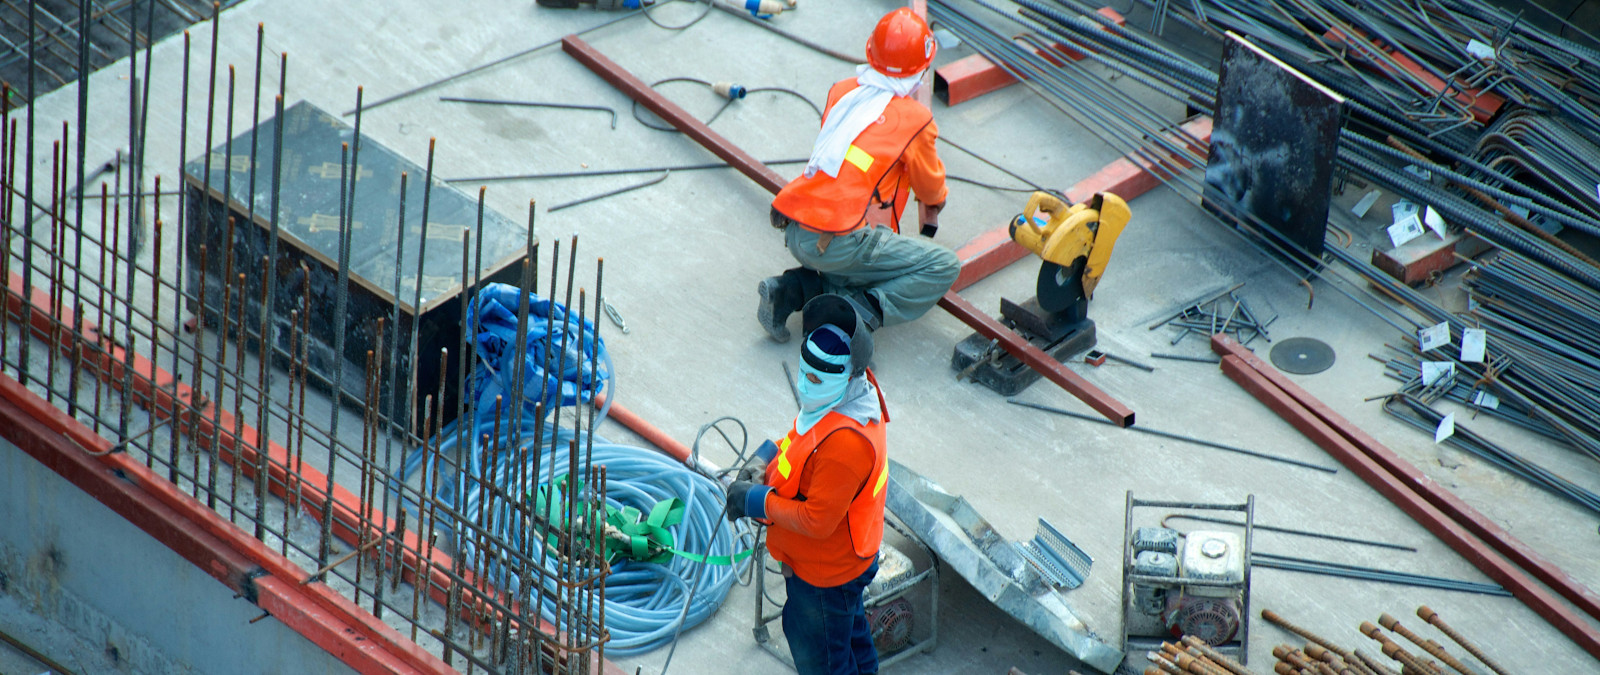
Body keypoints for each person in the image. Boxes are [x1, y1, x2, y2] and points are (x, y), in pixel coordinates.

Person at [757, 7, 959, 343]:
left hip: (796, 228)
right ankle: (857, 316)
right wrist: (935, 204)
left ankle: (788, 291)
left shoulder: (843, 91)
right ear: (921, 69)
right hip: (838, 242)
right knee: (942, 265)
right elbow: (929, 188)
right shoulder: (915, 119)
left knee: (853, 264)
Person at [727, 294, 891, 675]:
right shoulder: (842, 399)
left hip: (826, 576)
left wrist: (756, 501)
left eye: (815, 378)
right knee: (850, 639)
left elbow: (817, 520)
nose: (805, 384)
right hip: (843, 563)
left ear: (849, 373)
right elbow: (802, 442)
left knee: (822, 660)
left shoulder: (847, 443)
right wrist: (764, 457)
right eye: (803, 372)